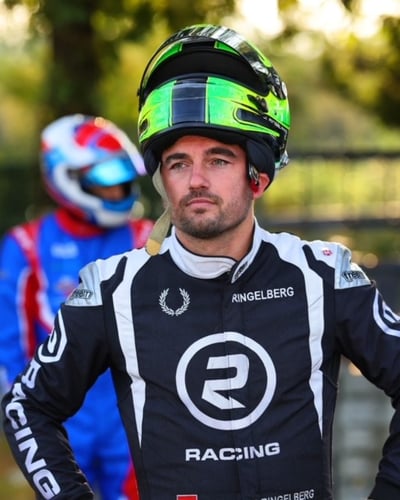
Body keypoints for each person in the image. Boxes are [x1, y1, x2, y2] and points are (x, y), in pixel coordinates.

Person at [1, 23, 400, 500]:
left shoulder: (323, 275)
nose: (195, 180)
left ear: (257, 175)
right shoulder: (111, 290)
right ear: (161, 178)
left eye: (218, 160)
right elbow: (27, 408)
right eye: (178, 163)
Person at [0, 114, 153, 499]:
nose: (118, 190)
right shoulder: (26, 246)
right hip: (61, 422)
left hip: (134, 419)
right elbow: (9, 348)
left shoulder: (149, 238)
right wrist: (28, 427)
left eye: (123, 180)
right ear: (66, 177)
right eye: (106, 180)